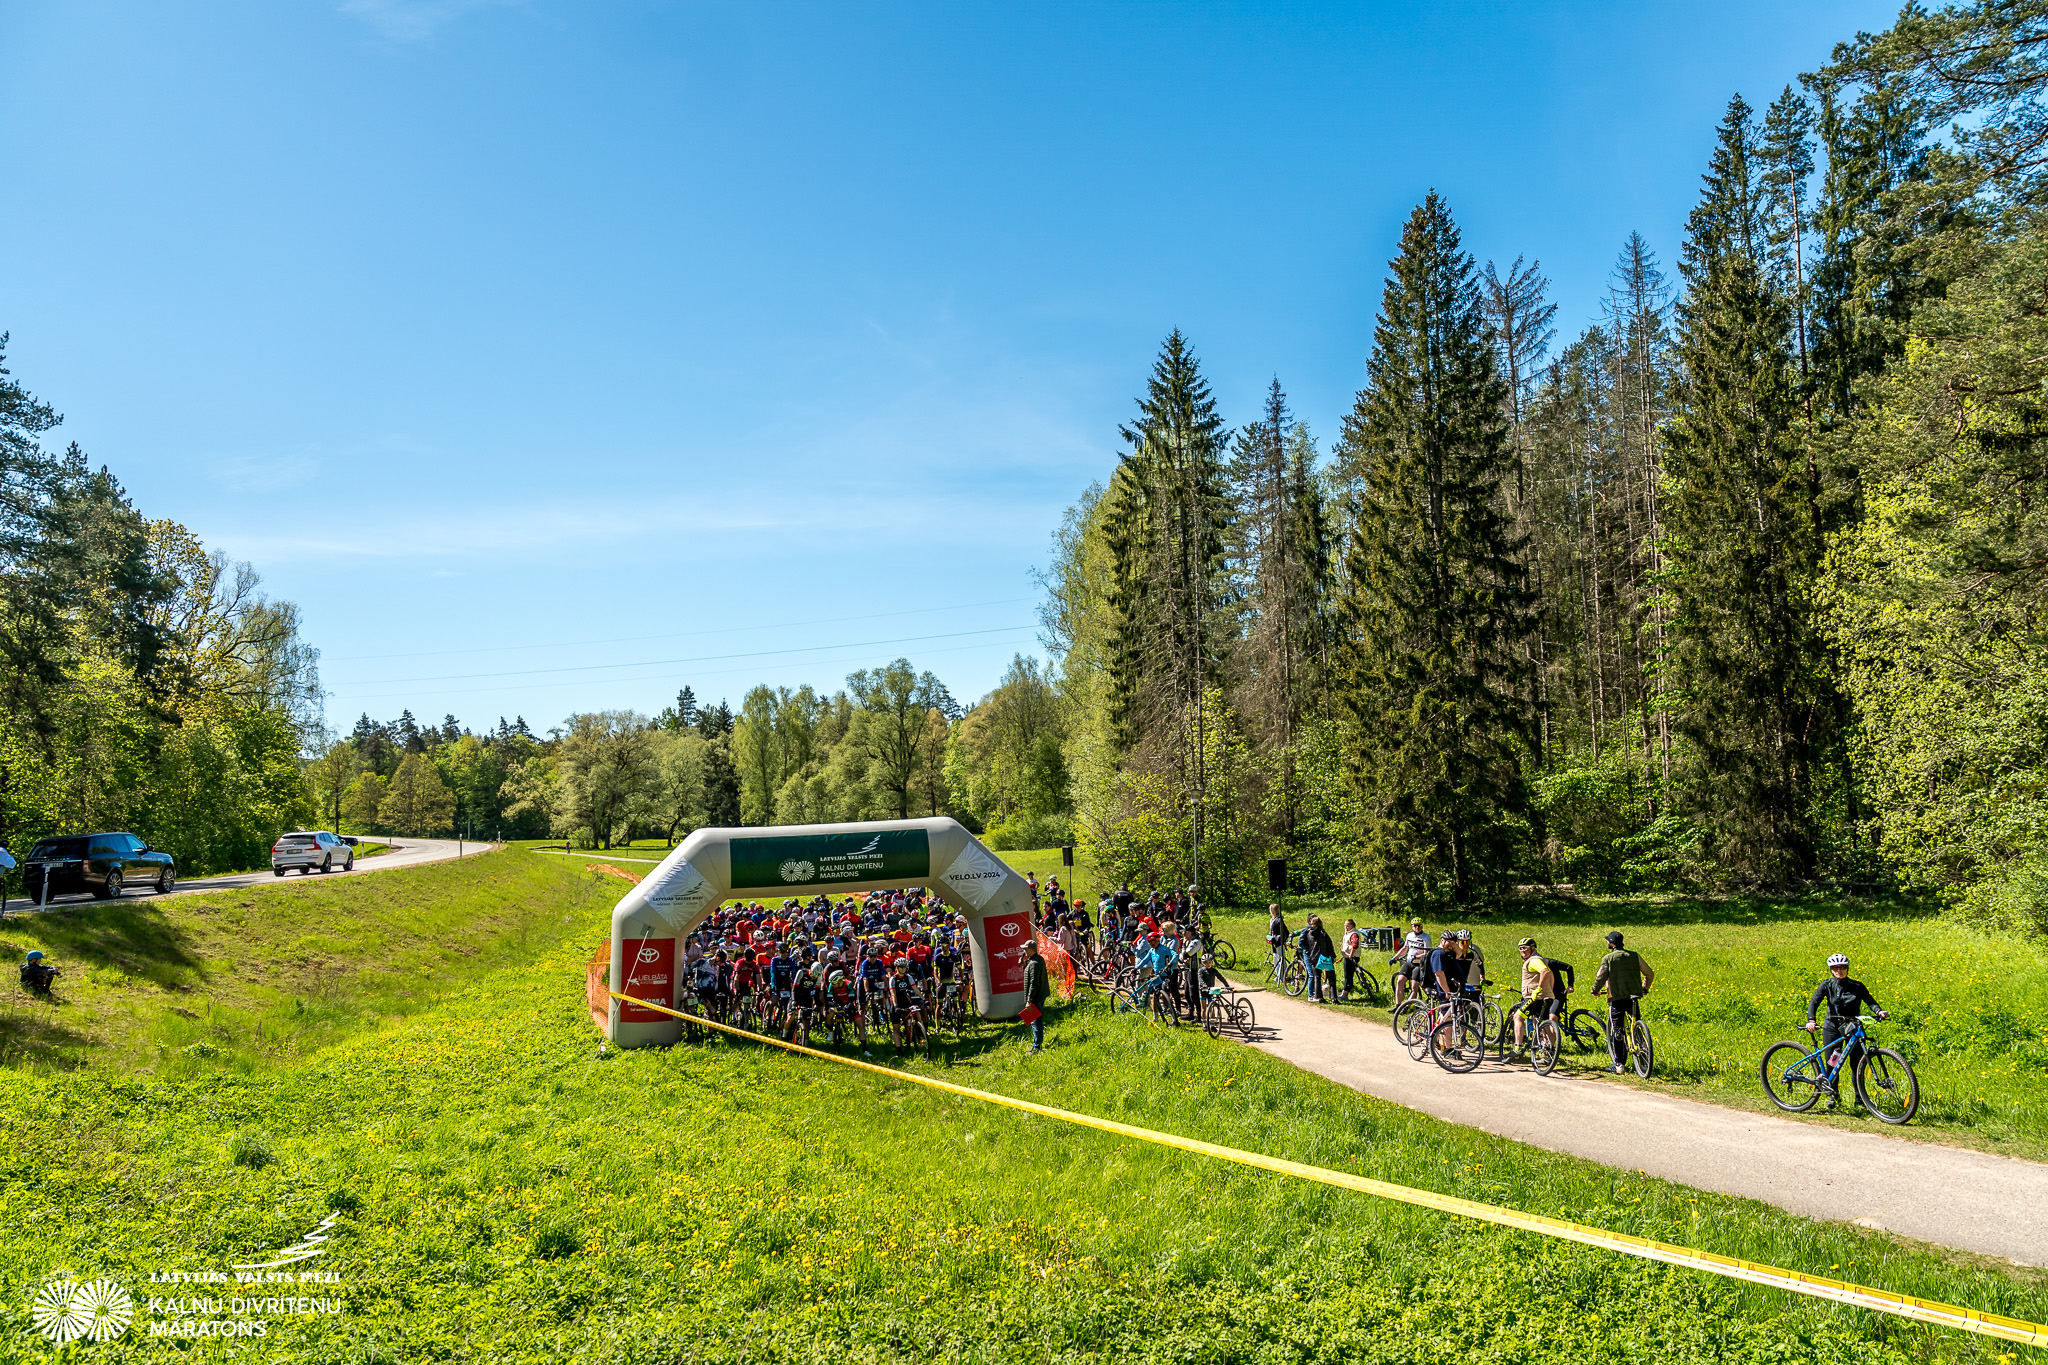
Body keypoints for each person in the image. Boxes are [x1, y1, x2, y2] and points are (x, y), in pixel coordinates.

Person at [1804, 953, 1888, 1101]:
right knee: (1832, 1061)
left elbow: (1869, 1000)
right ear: (1831, 970)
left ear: (1847, 968)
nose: (1839, 971)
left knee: (1856, 1063)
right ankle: (1833, 1095)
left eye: (1842, 967)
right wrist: (1811, 1020)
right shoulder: (1827, 984)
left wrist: (1878, 1011)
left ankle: (1859, 1098)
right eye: (1835, 968)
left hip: (1851, 1027)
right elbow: (1814, 1002)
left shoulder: (1857, 986)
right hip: (1832, 1026)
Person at [1592, 930, 1655, 1074]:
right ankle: (1644, 1061)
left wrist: (1595, 990)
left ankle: (1619, 1064)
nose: (1607, 942)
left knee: (1617, 1030)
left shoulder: (1608, 958)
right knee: (1636, 1026)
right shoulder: (1634, 956)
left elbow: (1601, 977)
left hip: (1616, 998)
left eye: (1608, 940)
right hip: (1633, 997)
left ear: (1612, 943)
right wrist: (1644, 988)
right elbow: (1649, 973)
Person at [1511, 938, 1558, 1051]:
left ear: (1533, 948)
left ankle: (1517, 1047)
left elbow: (1545, 972)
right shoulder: (1541, 959)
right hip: (1547, 997)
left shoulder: (1533, 960)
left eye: (1525, 948)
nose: (1523, 951)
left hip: (1534, 998)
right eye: (1521, 949)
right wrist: (1549, 992)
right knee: (1544, 1023)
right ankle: (1550, 1049)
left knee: (1517, 1017)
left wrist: (1538, 989)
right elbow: (1550, 975)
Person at [1391, 918, 1430, 1011]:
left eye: (1419, 925)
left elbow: (1426, 954)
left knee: (1414, 987)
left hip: (1419, 964)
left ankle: (1405, 1008)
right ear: (1412, 927)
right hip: (1409, 963)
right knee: (1400, 981)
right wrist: (1394, 958)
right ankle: (1398, 1007)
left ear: (1422, 926)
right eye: (1415, 926)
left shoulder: (1426, 938)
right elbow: (1405, 948)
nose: (1417, 927)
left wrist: (1416, 957)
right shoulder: (1409, 936)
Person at [1022, 937, 1050, 1054]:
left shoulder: (1034, 963)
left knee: (1035, 1022)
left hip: (1035, 997)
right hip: (1040, 995)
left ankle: (1036, 1047)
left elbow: (1034, 983)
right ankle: (1036, 1044)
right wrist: (1024, 964)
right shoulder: (1038, 959)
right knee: (1036, 1020)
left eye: (1025, 949)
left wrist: (1029, 1000)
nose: (1024, 951)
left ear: (1031, 950)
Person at [1301, 915, 1338, 1003]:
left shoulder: (1309, 933)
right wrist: (1333, 956)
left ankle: (1319, 997)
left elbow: (1307, 945)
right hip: (1324, 958)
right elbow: (1329, 945)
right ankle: (1334, 998)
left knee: (1317, 977)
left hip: (1313, 958)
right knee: (1331, 977)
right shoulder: (1323, 933)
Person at [1340, 918, 1364, 1002]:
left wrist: (1350, 955)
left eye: (1348, 926)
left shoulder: (1354, 934)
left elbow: (1355, 945)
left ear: (1352, 926)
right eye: (1345, 926)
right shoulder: (1348, 933)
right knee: (1347, 975)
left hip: (1351, 958)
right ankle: (1344, 993)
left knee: (1348, 976)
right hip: (1347, 957)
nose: (1346, 927)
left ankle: (1345, 995)